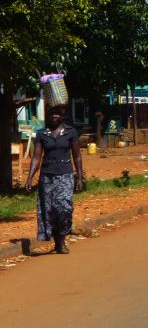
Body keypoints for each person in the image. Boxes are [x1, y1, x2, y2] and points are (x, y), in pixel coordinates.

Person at [25, 106, 84, 254]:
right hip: (47, 176)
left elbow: (77, 156)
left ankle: (62, 239)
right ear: (47, 116)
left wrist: (80, 177)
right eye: (51, 114)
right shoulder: (42, 134)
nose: (54, 116)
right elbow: (37, 157)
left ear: (62, 116)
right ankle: (58, 243)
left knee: (64, 208)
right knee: (49, 210)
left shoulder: (70, 132)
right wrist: (29, 177)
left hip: (65, 174)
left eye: (57, 113)